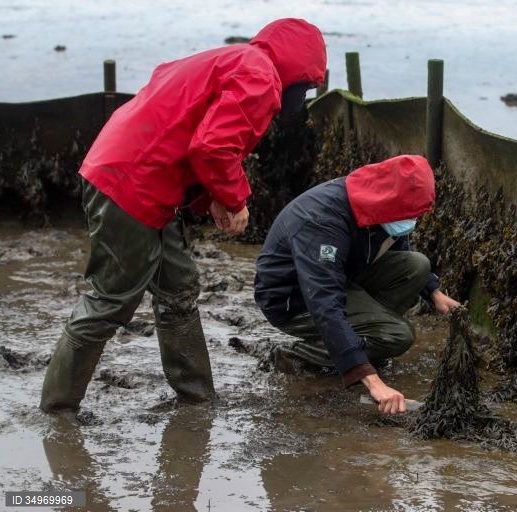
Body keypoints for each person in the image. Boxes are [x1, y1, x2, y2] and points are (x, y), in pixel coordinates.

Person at [39, 18, 327, 414]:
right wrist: (235, 198)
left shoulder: (234, 59)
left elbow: (188, 126)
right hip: (131, 184)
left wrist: (209, 195)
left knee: (178, 290)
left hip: (136, 176)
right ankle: (57, 409)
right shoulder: (261, 77)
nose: (304, 95)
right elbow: (213, 147)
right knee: (110, 299)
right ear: (299, 70)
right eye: (308, 85)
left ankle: (197, 398)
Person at [254, 155, 461, 415]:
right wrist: (371, 379)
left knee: (417, 266)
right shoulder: (322, 223)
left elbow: (395, 243)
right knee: (399, 335)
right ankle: (298, 355)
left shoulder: (377, 198)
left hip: (343, 277)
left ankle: (363, 341)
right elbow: (324, 302)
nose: (410, 221)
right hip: (293, 298)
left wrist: (433, 291)